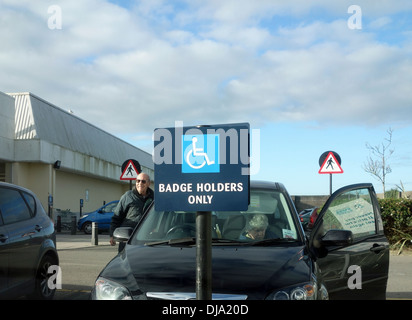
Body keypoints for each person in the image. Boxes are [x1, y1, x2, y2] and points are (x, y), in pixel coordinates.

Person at [110, 172, 154, 251]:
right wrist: (112, 235)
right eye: (138, 181)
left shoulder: (154, 198)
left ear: (148, 183)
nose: (140, 183)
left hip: (148, 240)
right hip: (128, 239)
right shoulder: (127, 196)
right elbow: (117, 217)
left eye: (143, 181)